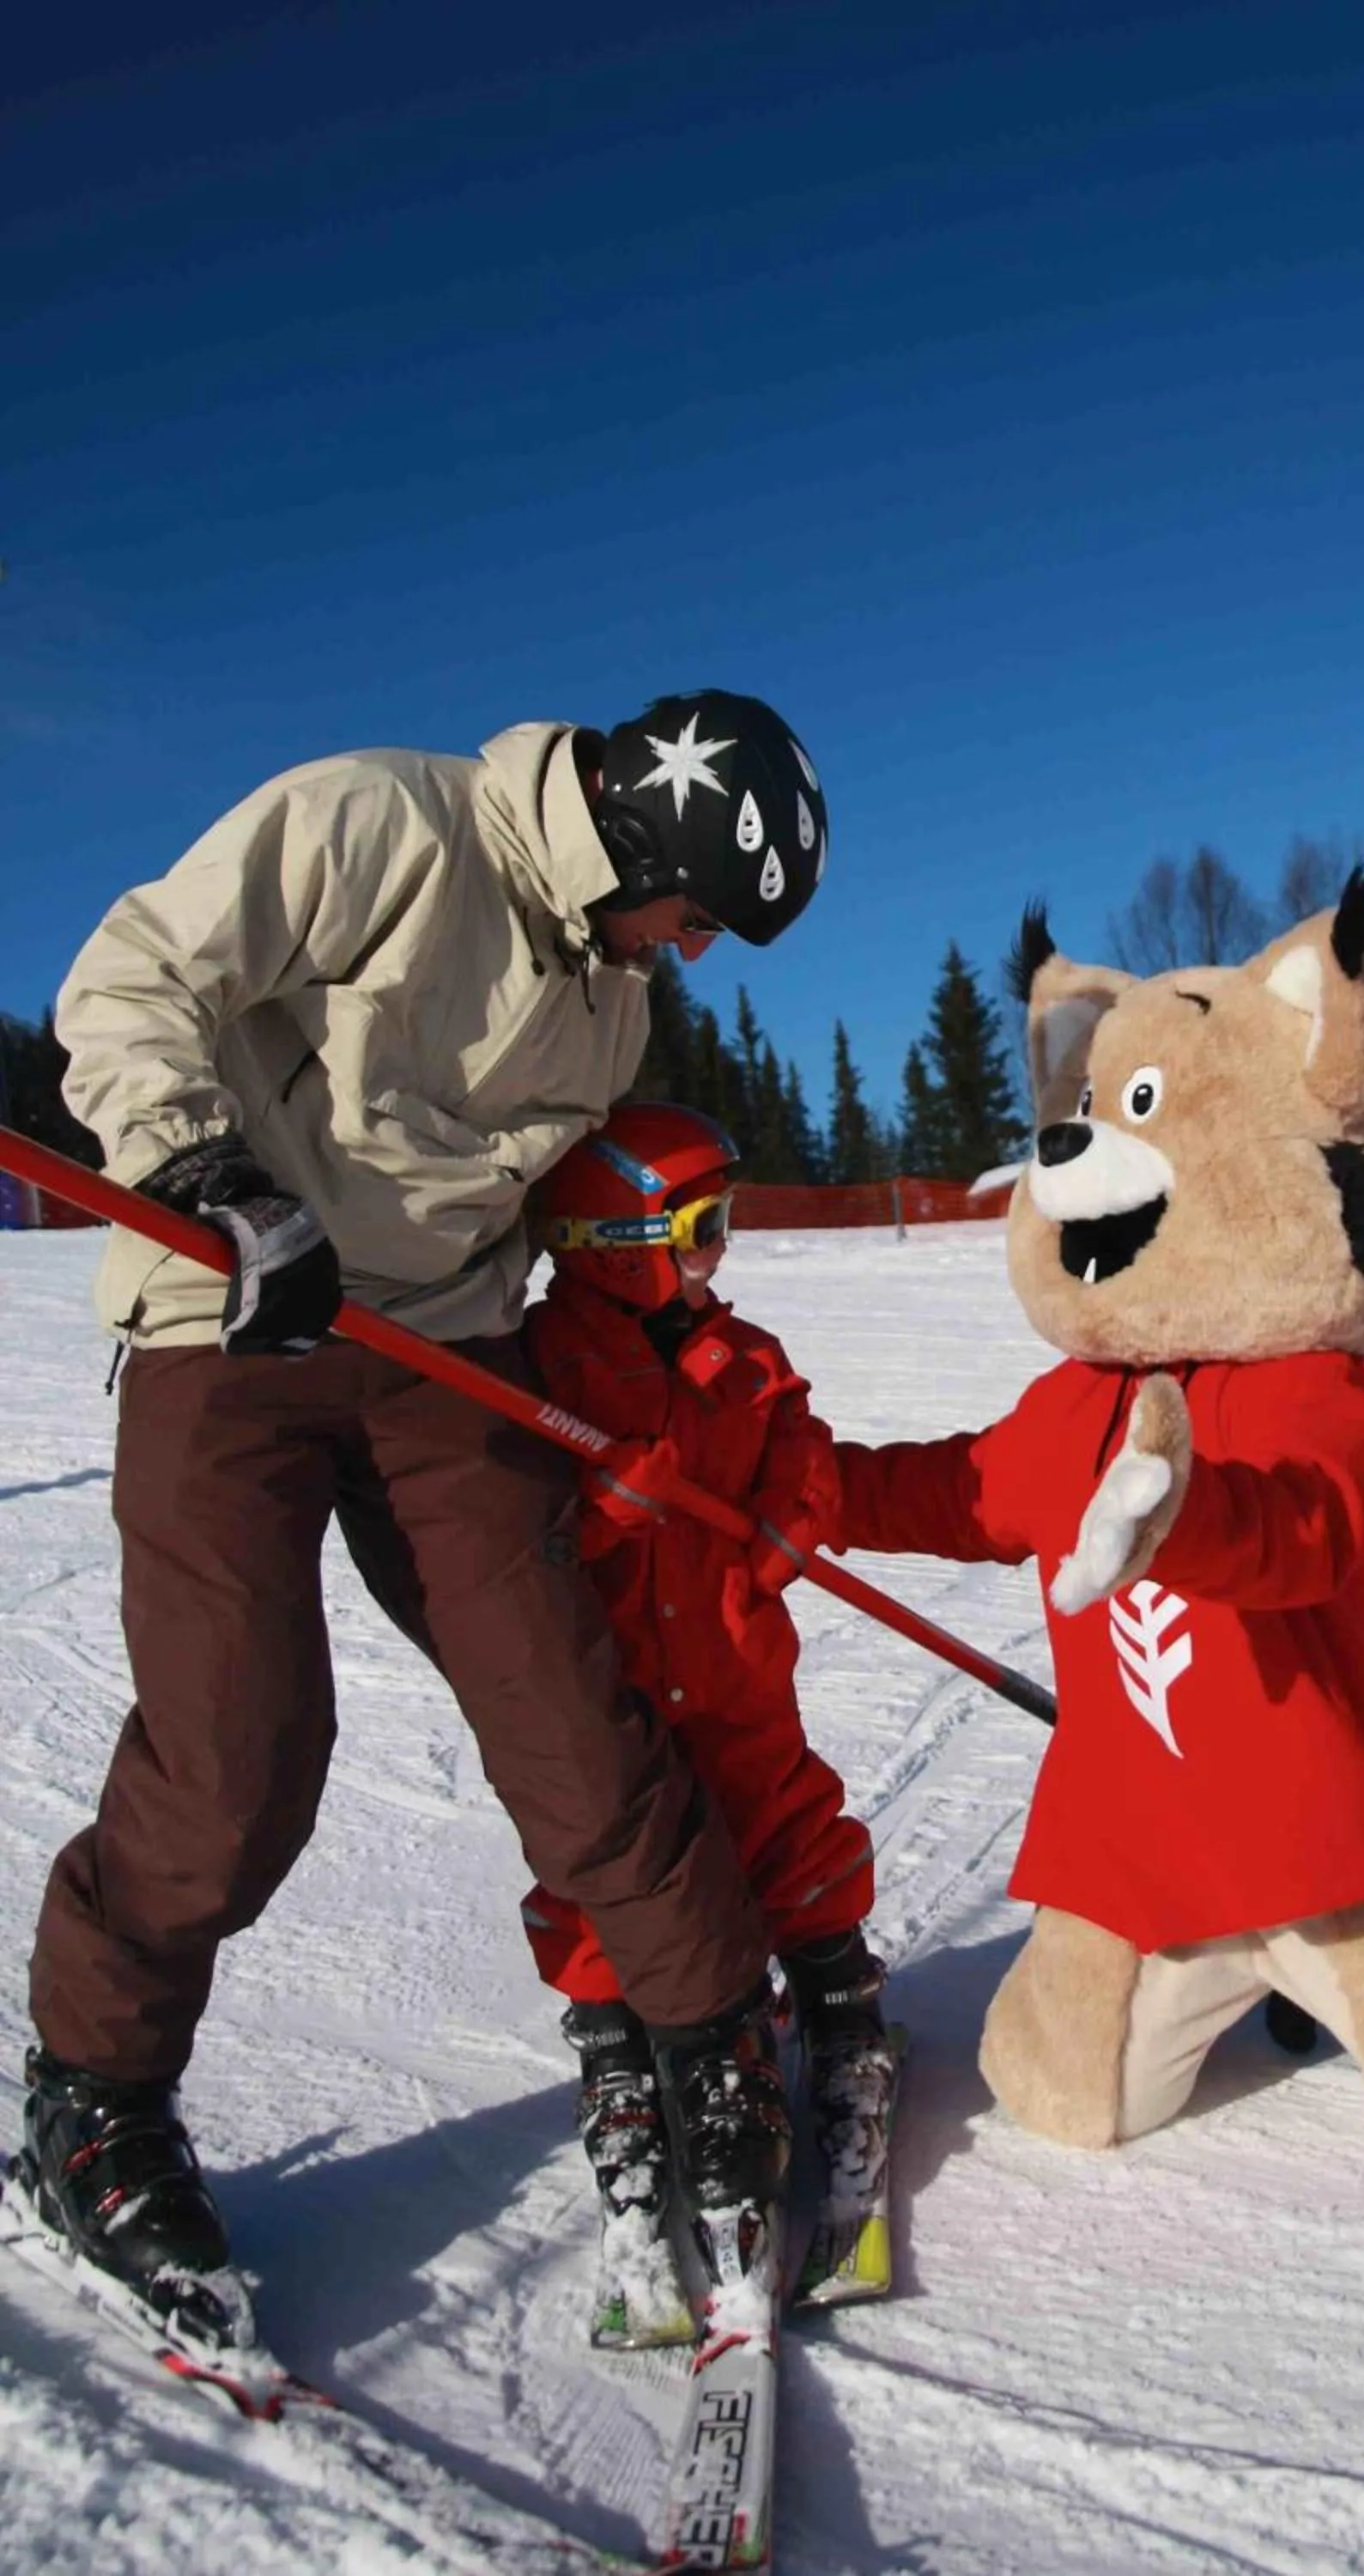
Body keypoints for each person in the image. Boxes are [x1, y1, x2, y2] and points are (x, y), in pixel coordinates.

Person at [16, 692, 830, 2342]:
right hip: (230, 1323)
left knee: (571, 1702)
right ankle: (92, 2098)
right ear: (657, 842)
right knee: (236, 1754)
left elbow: (553, 1206)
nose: (691, 955)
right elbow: (128, 975)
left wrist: (645, 1340)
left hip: (439, 1353)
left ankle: (706, 2031)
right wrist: (202, 1182)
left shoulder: (608, 996)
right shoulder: (385, 822)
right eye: (699, 915)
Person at [515, 1103, 887, 2330]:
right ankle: (618, 2047)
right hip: (612, 1700)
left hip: (734, 1674)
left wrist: (797, 1508)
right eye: (701, 1227)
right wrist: (601, 1508)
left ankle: (837, 2005)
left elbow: (803, 1439)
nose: (720, 1253)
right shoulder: (537, 1374)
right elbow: (496, 1530)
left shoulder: (742, 1357)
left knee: (786, 1831)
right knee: (599, 1866)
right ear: (614, 1239)